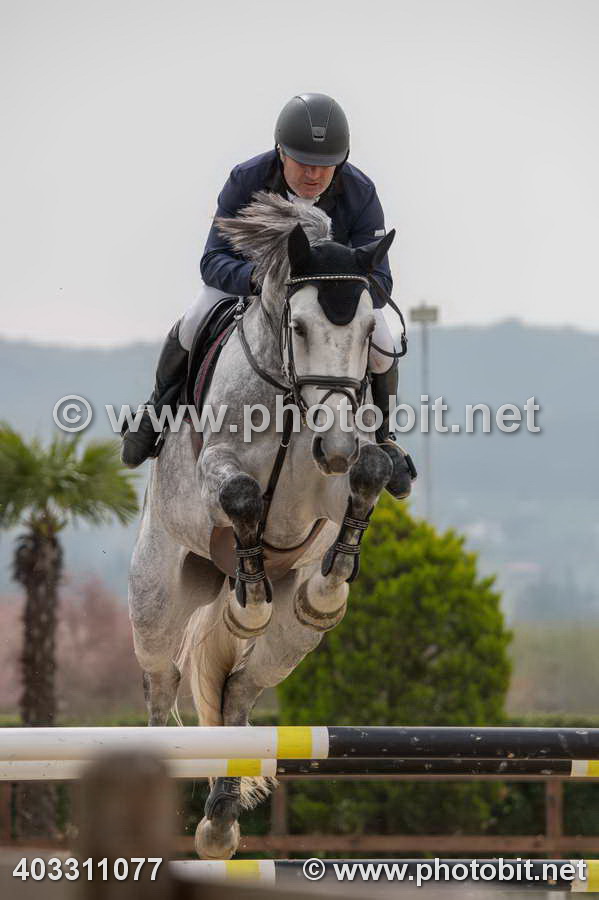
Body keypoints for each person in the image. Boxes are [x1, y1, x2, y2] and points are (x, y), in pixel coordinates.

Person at [121, 93, 415, 498]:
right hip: (254, 287)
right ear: (281, 151)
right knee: (193, 319)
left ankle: (385, 437)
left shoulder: (360, 190)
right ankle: (156, 411)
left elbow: (381, 279)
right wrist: (260, 280)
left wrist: (341, 287)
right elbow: (212, 260)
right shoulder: (247, 178)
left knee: (383, 344)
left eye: (325, 164)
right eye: (303, 162)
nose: (314, 173)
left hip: (329, 303)